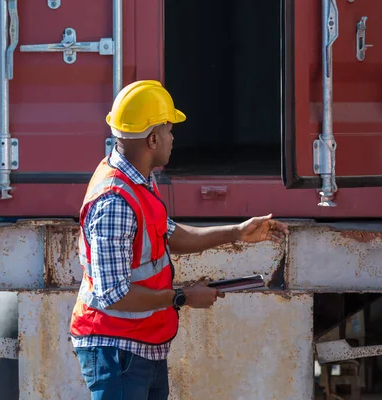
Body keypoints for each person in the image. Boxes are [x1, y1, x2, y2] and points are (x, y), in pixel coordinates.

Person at [69, 80, 289, 400]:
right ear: (153, 138)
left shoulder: (140, 180)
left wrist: (236, 233)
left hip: (141, 345)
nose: (173, 139)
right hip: (117, 349)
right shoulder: (114, 201)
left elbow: (168, 233)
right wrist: (182, 296)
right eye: (170, 130)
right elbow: (113, 293)